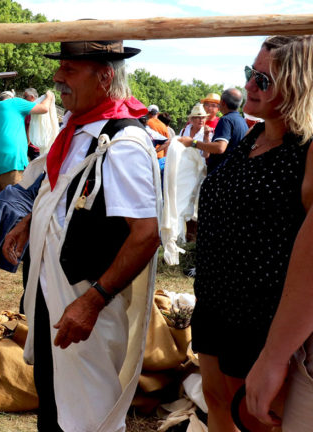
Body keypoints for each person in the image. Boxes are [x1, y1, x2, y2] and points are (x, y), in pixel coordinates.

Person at [3, 40, 160, 431]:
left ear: (105, 77)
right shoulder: (78, 129)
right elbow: (62, 193)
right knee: (56, 402)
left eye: (70, 69)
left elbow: (145, 234)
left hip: (83, 299)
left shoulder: (123, 143)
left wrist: (93, 301)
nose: (58, 78)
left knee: (87, 413)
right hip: (51, 292)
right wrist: (30, 222)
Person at [191, 36, 313, 432]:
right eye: (250, 74)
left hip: (261, 313)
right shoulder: (250, 139)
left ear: (299, 84)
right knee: (216, 403)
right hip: (214, 300)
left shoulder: (306, 150)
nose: (248, 86)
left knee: (254, 421)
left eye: (263, 79)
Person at [0, 88, 54, 203]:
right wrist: (49, 96)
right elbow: (44, 108)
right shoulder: (15, 102)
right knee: (14, 201)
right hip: (10, 158)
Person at [179, 88, 248, 174]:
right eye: (207, 104)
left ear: (222, 104)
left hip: (221, 173)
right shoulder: (242, 121)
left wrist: (193, 143)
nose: (209, 108)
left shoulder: (225, 120)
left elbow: (220, 148)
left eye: (214, 105)